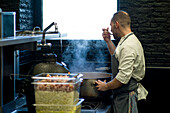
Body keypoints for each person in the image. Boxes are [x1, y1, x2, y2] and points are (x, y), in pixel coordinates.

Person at [95, 10, 148, 113]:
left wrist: (105, 86)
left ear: (117, 24)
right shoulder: (126, 40)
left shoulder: (129, 45)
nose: (110, 30)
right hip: (122, 96)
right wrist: (108, 41)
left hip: (127, 97)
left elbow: (123, 78)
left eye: (111, 26)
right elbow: (117, 56)